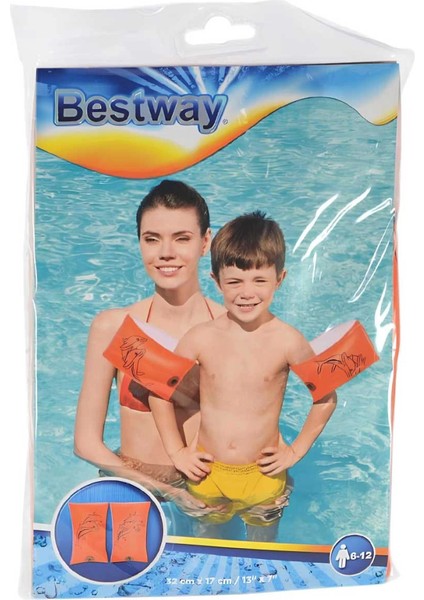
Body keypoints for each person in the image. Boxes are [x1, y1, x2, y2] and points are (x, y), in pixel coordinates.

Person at [150, 211, 337, 539]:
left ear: (280, 279)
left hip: (263, 476)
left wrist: (295, 451)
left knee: (261, 554)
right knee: (208, 546)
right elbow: (159, 391)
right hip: (208, 472)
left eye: (259, 281)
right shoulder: (200, 338)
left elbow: (325, 397)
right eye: (234, 282)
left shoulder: (288, 341)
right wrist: (177, 452)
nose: (246, 293)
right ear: (216, 281)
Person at [74, 180, 226, 517]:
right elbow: (86, 443)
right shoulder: (113, 327)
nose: (166, 253)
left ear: (205, 242)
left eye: (182, 238)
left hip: (210, 495)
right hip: (135, 490)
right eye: (152, 239)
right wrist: (167, 491)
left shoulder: (231, 330)